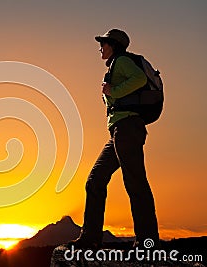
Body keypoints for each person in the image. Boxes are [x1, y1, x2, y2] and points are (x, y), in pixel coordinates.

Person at [71, 29, 160, 249]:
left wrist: (114, 90)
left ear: (113, 45)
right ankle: (90, 238)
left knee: (135, 182)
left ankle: (147, 243)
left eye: (103, 43)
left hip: (128, 128)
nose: (100, 47)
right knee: (95, 180)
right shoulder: (114, 66)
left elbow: (139, 79)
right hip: (118, 133)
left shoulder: (121, 61)